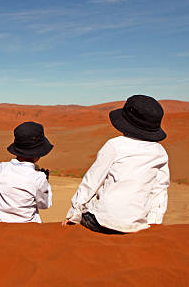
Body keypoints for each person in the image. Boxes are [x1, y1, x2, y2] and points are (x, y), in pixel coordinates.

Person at [63, 94, 170, 234]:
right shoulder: (160, 152)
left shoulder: (115, 145)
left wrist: (74, 213)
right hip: (136, 225)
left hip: (101, 222)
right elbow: (159, 189)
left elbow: (92, 181)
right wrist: (154, 221)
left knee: (88, 209)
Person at [0, 121, 53, 223]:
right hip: (28, 230)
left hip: (0, 226)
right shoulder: (38, 178)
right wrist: (46, 182)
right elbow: (45, 204)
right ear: (37, 154)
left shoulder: (2, 168)